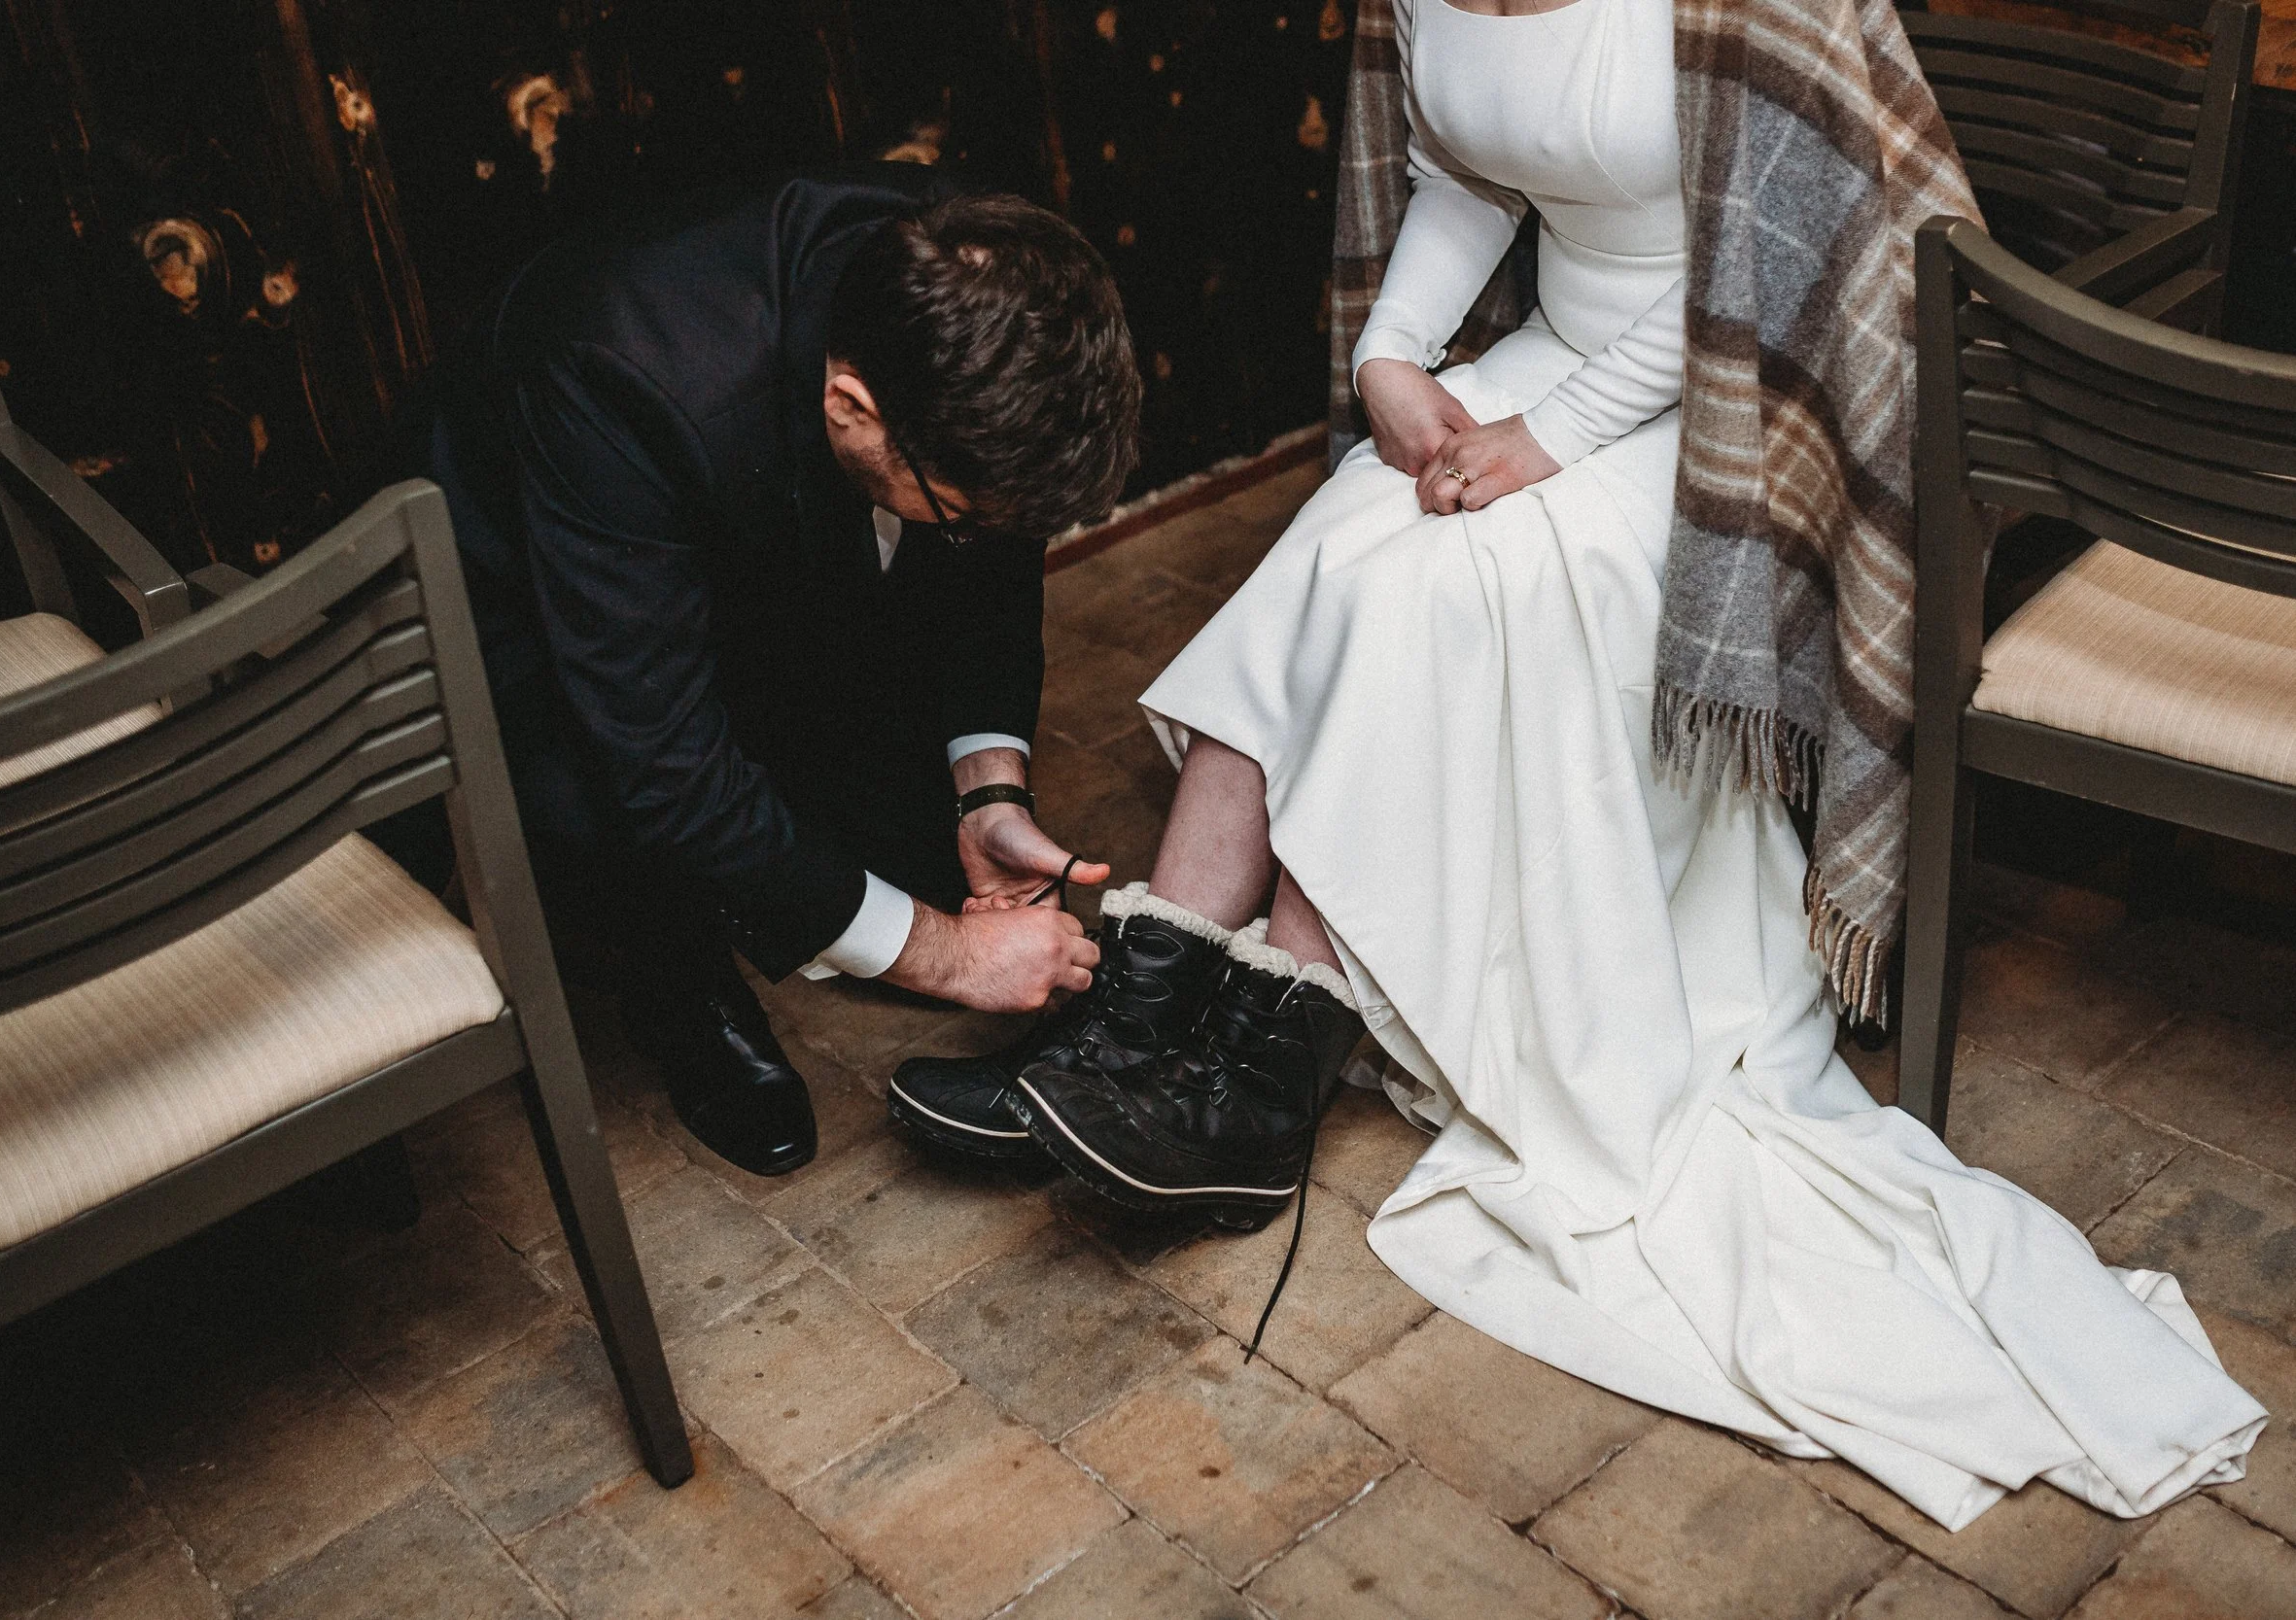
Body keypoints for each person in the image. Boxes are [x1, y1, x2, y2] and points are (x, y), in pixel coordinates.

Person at [892, 0, 2266, 1533]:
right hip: (1549, 352)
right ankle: (1139, 1008)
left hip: (1729, 396)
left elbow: (1787, 247)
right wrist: (1396, 359)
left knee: (1421, 590)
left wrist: (1551, 435)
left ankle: (1258, 1077)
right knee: (1335, 538)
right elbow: (1472, 174)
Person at [418, 166, 1135, 1178]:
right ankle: (675, 982)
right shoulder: (618, 373)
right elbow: (663, 763)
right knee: (616, 797)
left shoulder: (982, 285)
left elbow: (990, 558)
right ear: (853, 406)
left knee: (898, 870)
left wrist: (989, 789)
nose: (986, 532)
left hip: (757, 538)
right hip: (525, 588)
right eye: (967, 508)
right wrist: (945, 953)